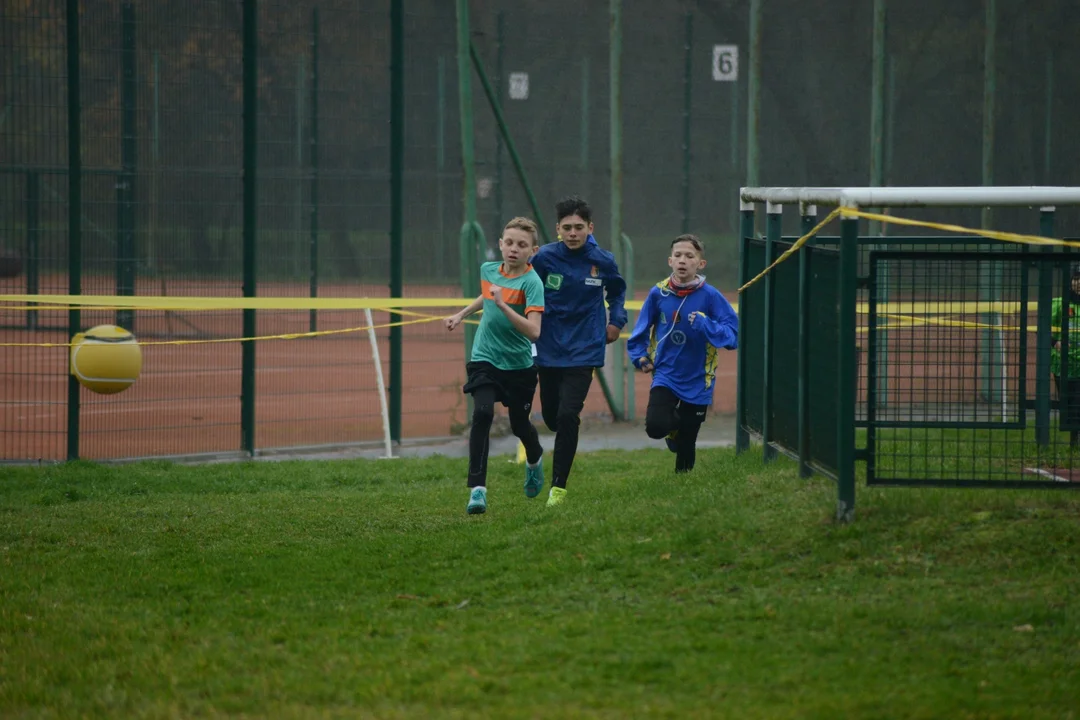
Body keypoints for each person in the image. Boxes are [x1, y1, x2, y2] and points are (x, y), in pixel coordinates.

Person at [445, 217, 546, 514]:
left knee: (519, 426)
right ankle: (477, 490)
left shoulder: (533, 283)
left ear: (533, 251)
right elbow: (487, 295)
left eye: (522, 245)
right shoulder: (488, 270)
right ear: (500, 244)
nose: (514, 249)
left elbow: (534, 331)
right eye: (510, 243)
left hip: (518, 366)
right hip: (485, 357)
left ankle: (535, 459)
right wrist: (461, 314)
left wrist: (503, 305)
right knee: (483, 413)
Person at [530, 195, 627, 506]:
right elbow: (525, 289)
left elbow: (618, 290)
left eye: (579, 227)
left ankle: (558, 487)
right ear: (558, 229)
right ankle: (561, 437)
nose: (573, 233)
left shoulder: (603, 260)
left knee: (569, 414)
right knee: (552, 416)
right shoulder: (544, 258)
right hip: (548, 345)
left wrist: (617, 321)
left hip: (585, 346)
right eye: (567, 228)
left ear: (590, 228)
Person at [626, 234, 738, 473]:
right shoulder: (659, 293)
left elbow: (732, 337)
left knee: (687, 442)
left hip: (699, 377)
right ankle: (674, 429)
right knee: (655, 427)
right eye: (678, 255)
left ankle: (682, 482)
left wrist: (706, 324)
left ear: (701, 264)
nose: (683, 261)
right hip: (665, 373)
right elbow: (640, 329)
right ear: (670, 261)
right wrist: (640, 356)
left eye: (690, 256)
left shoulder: (711, 296)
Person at [1051, 264, 1080, 447]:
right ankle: (1073, 439)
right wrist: (1056, 343)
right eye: (1076, 278)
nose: (1079, 282)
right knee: (1068, 404)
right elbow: (1043, 329)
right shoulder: (1059, 304)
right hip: (1063, 364)